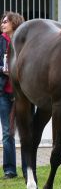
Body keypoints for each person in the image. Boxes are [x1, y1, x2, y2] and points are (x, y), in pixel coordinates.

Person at [0, 11, 26, 179]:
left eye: (5, 21)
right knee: (7, 133)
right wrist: (3, 70)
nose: (2, 24)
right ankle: (10, 170)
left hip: (24, 94)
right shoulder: (0, 41)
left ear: (14, 23)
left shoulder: (25, 41)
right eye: (2, 22)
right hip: (4, 93)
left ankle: (27, 168)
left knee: (26, 132)